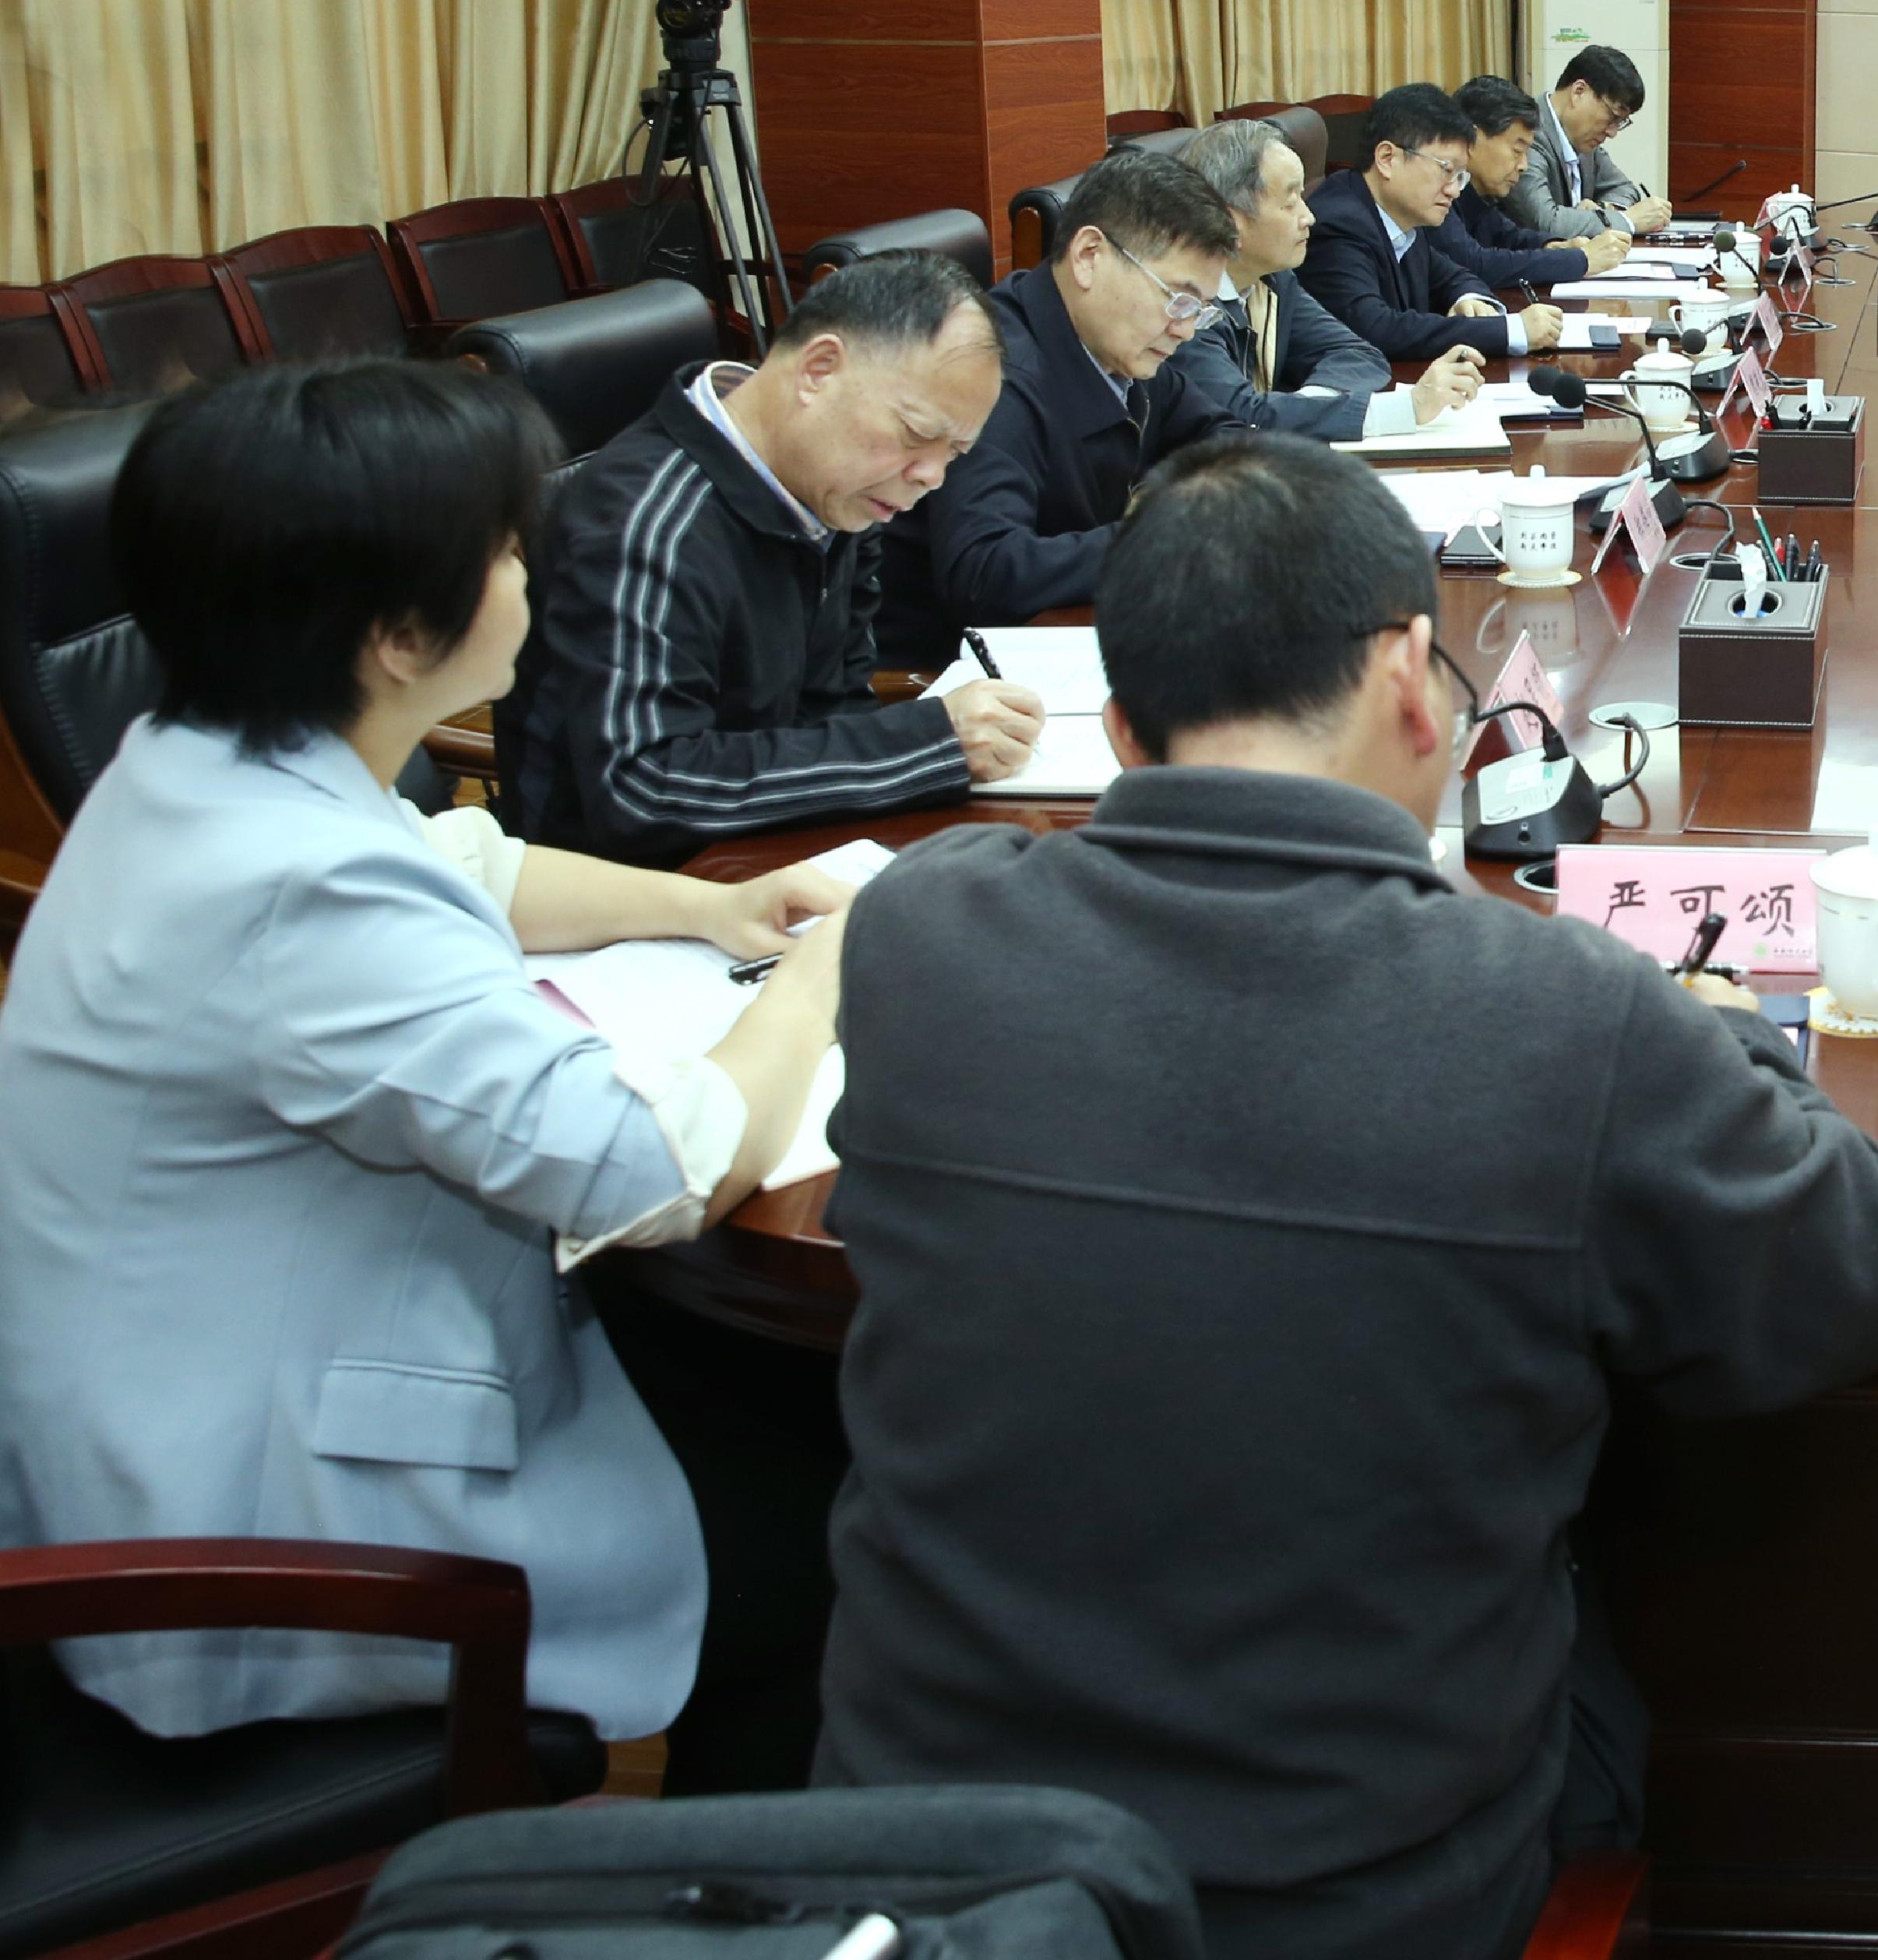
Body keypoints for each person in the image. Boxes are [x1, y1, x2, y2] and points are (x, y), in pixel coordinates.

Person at [815, 435, 1878, 1958]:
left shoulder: (920, 935)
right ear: (1414, 676)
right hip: (1353, 1908)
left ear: (1123, 726)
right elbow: (1850, 1279)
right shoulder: (1566, 1017)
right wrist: (1725, 1028)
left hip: (918, 1890)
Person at [0, 363, 851, 1786]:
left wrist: (709, 908)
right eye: (508, 550)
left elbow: (467, 866)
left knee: (743, 1381)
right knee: (825, 1531)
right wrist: (824, 981)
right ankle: (715, 1875)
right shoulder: (297, 886)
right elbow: (660, 1167)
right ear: (400, 635)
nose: (531, 575)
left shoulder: (199, 761)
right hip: (262, 1531)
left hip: (201, 1398)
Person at [504, 252, 1046, 865]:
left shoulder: (837, 487)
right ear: (818, 370)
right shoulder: (642, 525)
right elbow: (643, 788)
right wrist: (925, 743)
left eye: (955, 452)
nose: (932, 476)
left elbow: (834, 705)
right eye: (917, 434)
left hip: (773, 844)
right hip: (631, 889)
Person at [870, 147, 1238, 663]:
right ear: (1089, 256)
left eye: (1199, 310)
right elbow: (984, 571)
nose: (1185, 329)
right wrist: (1160, 540)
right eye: (1178, 300)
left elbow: (1221, 434)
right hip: (950, 675)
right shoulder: (997, 375)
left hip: (1058, 641)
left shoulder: (1117, 347)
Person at [1167, 117, 1488, 441]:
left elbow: (1359, 355)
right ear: (1229, 220)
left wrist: (1309, 411)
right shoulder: (1184, 306)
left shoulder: (1272, 280)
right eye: (1290, 203)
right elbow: (1238, 416)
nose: (1309, 216)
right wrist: (1408, 407)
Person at [1293, 82, 1575, 368]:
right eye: (1446, 170)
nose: (1454, 191)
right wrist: (1510, 331)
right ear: (1387, 159)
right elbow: (1376, 329)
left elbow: (1451, 274)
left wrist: (1468, 298)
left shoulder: (1400, 218)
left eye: (1460, 177)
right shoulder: (1338, 224)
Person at [1448, 75, 1633, 286]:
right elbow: (1476, 264)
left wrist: (1556, 246)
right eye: (1517, 150)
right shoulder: (1439, 195)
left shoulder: (1478, 196)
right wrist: (1580, 261)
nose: (1524, 165)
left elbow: (1511, 238)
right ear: (1472, 140)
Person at [1504, 45, 1668, 238]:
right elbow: (1545, 223)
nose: (1612, 133)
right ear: (1579, 91)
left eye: (1620, 123)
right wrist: (1627, 220)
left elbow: (1625, 188)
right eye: (1613, 117)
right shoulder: (1528, 132)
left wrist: (1604, 209)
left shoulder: (1584, 141)